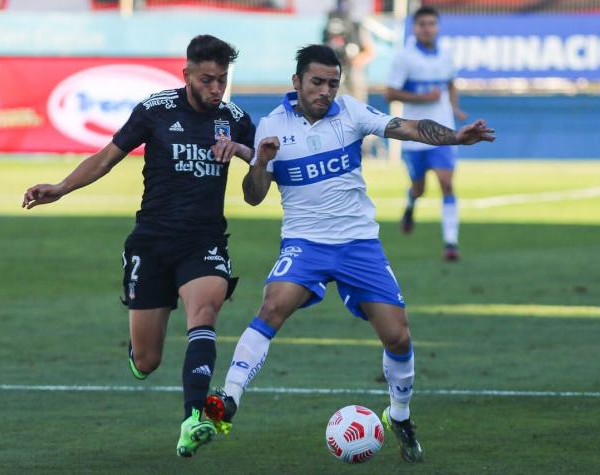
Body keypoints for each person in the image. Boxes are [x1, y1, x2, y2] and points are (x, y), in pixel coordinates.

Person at [203, 44, 494, 463]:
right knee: (272, 306)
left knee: (398, 335)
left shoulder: (352, 113)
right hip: (305, 242)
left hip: (359, 243)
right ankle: (228, 397)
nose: (325, 91)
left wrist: (453, 137)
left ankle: (399, 415)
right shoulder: (272, 124)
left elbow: (404, 127)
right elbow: (253, 197)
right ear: (297, 82)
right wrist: (261, 163)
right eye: (317, 82)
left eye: (332, 83)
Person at [21, 35, 256, 458]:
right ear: (187, 75)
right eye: (207, 79)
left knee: (204, 312)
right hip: (151, 243)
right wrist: (61, 188)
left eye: (222, 80)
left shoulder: (236, 119)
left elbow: (258, 188)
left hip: (204, 241)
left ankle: (193, 418)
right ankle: (139, 349)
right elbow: (106, 157)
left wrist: (245, 154)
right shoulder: (155, 110)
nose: (216, 89)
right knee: (147, 362)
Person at [386, 5, 468, 261]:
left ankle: (451, 243)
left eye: (431, 24)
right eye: (422, 24)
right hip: (415, 133)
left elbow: (451, 82)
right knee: (419, 188)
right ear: (415, 28)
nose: (427, 29)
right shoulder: (404, 57)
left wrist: (455, 107)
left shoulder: (446, 54)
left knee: (446, 183)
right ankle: (411, 205)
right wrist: (423, 97)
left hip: (443, 132)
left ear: (438, 27)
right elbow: (390, 93)